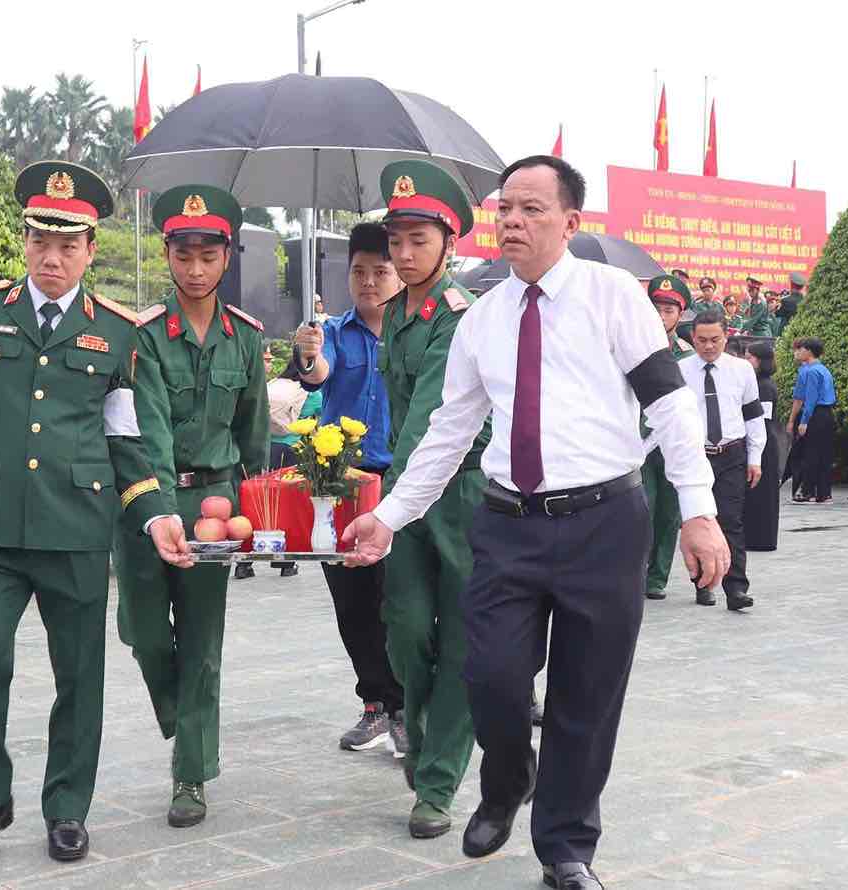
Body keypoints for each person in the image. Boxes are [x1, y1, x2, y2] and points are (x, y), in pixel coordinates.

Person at [343, 155, 729, 890]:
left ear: (570, 223)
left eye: (531, 209)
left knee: (586, 695)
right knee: (490, 675)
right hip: (508, 525)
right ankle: (506, 778)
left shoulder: (612, 295)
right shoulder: (482, 318)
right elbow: (449, 432)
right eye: (505, 209)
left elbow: (670, 403)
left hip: (604, 522)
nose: (513, 222)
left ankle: (565, 848)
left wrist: (699, 512)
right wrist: (389, 517)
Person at [0, 160, 189, 864]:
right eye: (41, 240)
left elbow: (127, 440)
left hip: (75, 531)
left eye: (69, 244)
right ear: (24, 241)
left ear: (91, 250)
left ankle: (66, 808)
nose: (53, 257)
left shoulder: (118, 334)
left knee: (79, 676)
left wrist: (156, 513)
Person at [115, 184, 270, 829]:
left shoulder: (245, 339)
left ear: (226, 257)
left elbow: (254, 432)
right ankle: (181, 717)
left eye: (209, 255)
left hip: (217, 502)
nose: (196, 268)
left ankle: (191, 774)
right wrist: (157, 506)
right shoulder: (145, 336)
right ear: (168, 253)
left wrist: (259, 514)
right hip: (151, 500)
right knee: (143, 630)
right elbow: (143, 423)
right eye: (184, 254)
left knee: (202, 641)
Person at [355, 159, 488, 840]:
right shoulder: (396, 313)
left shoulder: (462, 315)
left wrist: (386, 505)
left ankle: (436, 783)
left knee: (462, 641)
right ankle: (427, 736)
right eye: (395, 242)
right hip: (406, 498)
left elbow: (432, 417)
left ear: (448, 242)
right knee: (405, 630)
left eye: (418, 241)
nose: (403, 255)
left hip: (461, 495)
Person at [292, 221, 408, 757]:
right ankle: (376, 705)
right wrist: (308, 353)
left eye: (379, 271)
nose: (368, 282)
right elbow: (317, 375)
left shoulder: (416, 329)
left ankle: (408, 706)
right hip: (344, 485)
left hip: (405, 484)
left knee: (400, 600)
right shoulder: (334, 332)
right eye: (358, 272)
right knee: (354, 602)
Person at [681, 307, 764, 611]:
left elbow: (753, 417)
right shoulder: (681, 371)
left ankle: (736, 589)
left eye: (714, 339)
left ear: (726, 336)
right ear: (693, 338)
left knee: (731, 522)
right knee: (700, 519)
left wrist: (755, 457)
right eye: (701, 340)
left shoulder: (741, 370)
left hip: (731, 453)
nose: (708, 346)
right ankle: (703, 584)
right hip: (696, 455)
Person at [640, 274, 696, 600]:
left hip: (673, 443)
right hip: (639, 442)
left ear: (680, 314)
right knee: (640, 508)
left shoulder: (688, 355)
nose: (661, 316)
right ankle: (636, 570)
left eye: (668, 310)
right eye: (656, 309)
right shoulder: (633, 346)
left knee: (669, 511)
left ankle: (657, 577)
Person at [256, 356, 320, 579]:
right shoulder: (311, 391)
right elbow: (318, 421)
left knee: (262, 502)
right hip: (293, 452)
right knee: (289, 506)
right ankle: (286, 562)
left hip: (266, 449)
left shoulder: (274, 384)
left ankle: (244, 564)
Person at [743, 341, 783, 551]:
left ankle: (762, 539)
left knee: (763, 495)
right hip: (758, 443)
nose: (746, 361)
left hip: (764, 445)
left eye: (750, 357)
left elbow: (762, 421)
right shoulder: (754, 383)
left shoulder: (764, 386)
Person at [787, 337, 837, 503]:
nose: (797, 352)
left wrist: (803, 421)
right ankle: (824, 492)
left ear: (808, 351)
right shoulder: (823, 369)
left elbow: (809, 398)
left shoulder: (810, 371)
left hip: (815, 414)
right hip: (827, 414)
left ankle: (808, 490)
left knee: (811, 453)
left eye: (800, 349)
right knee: (824, 454)